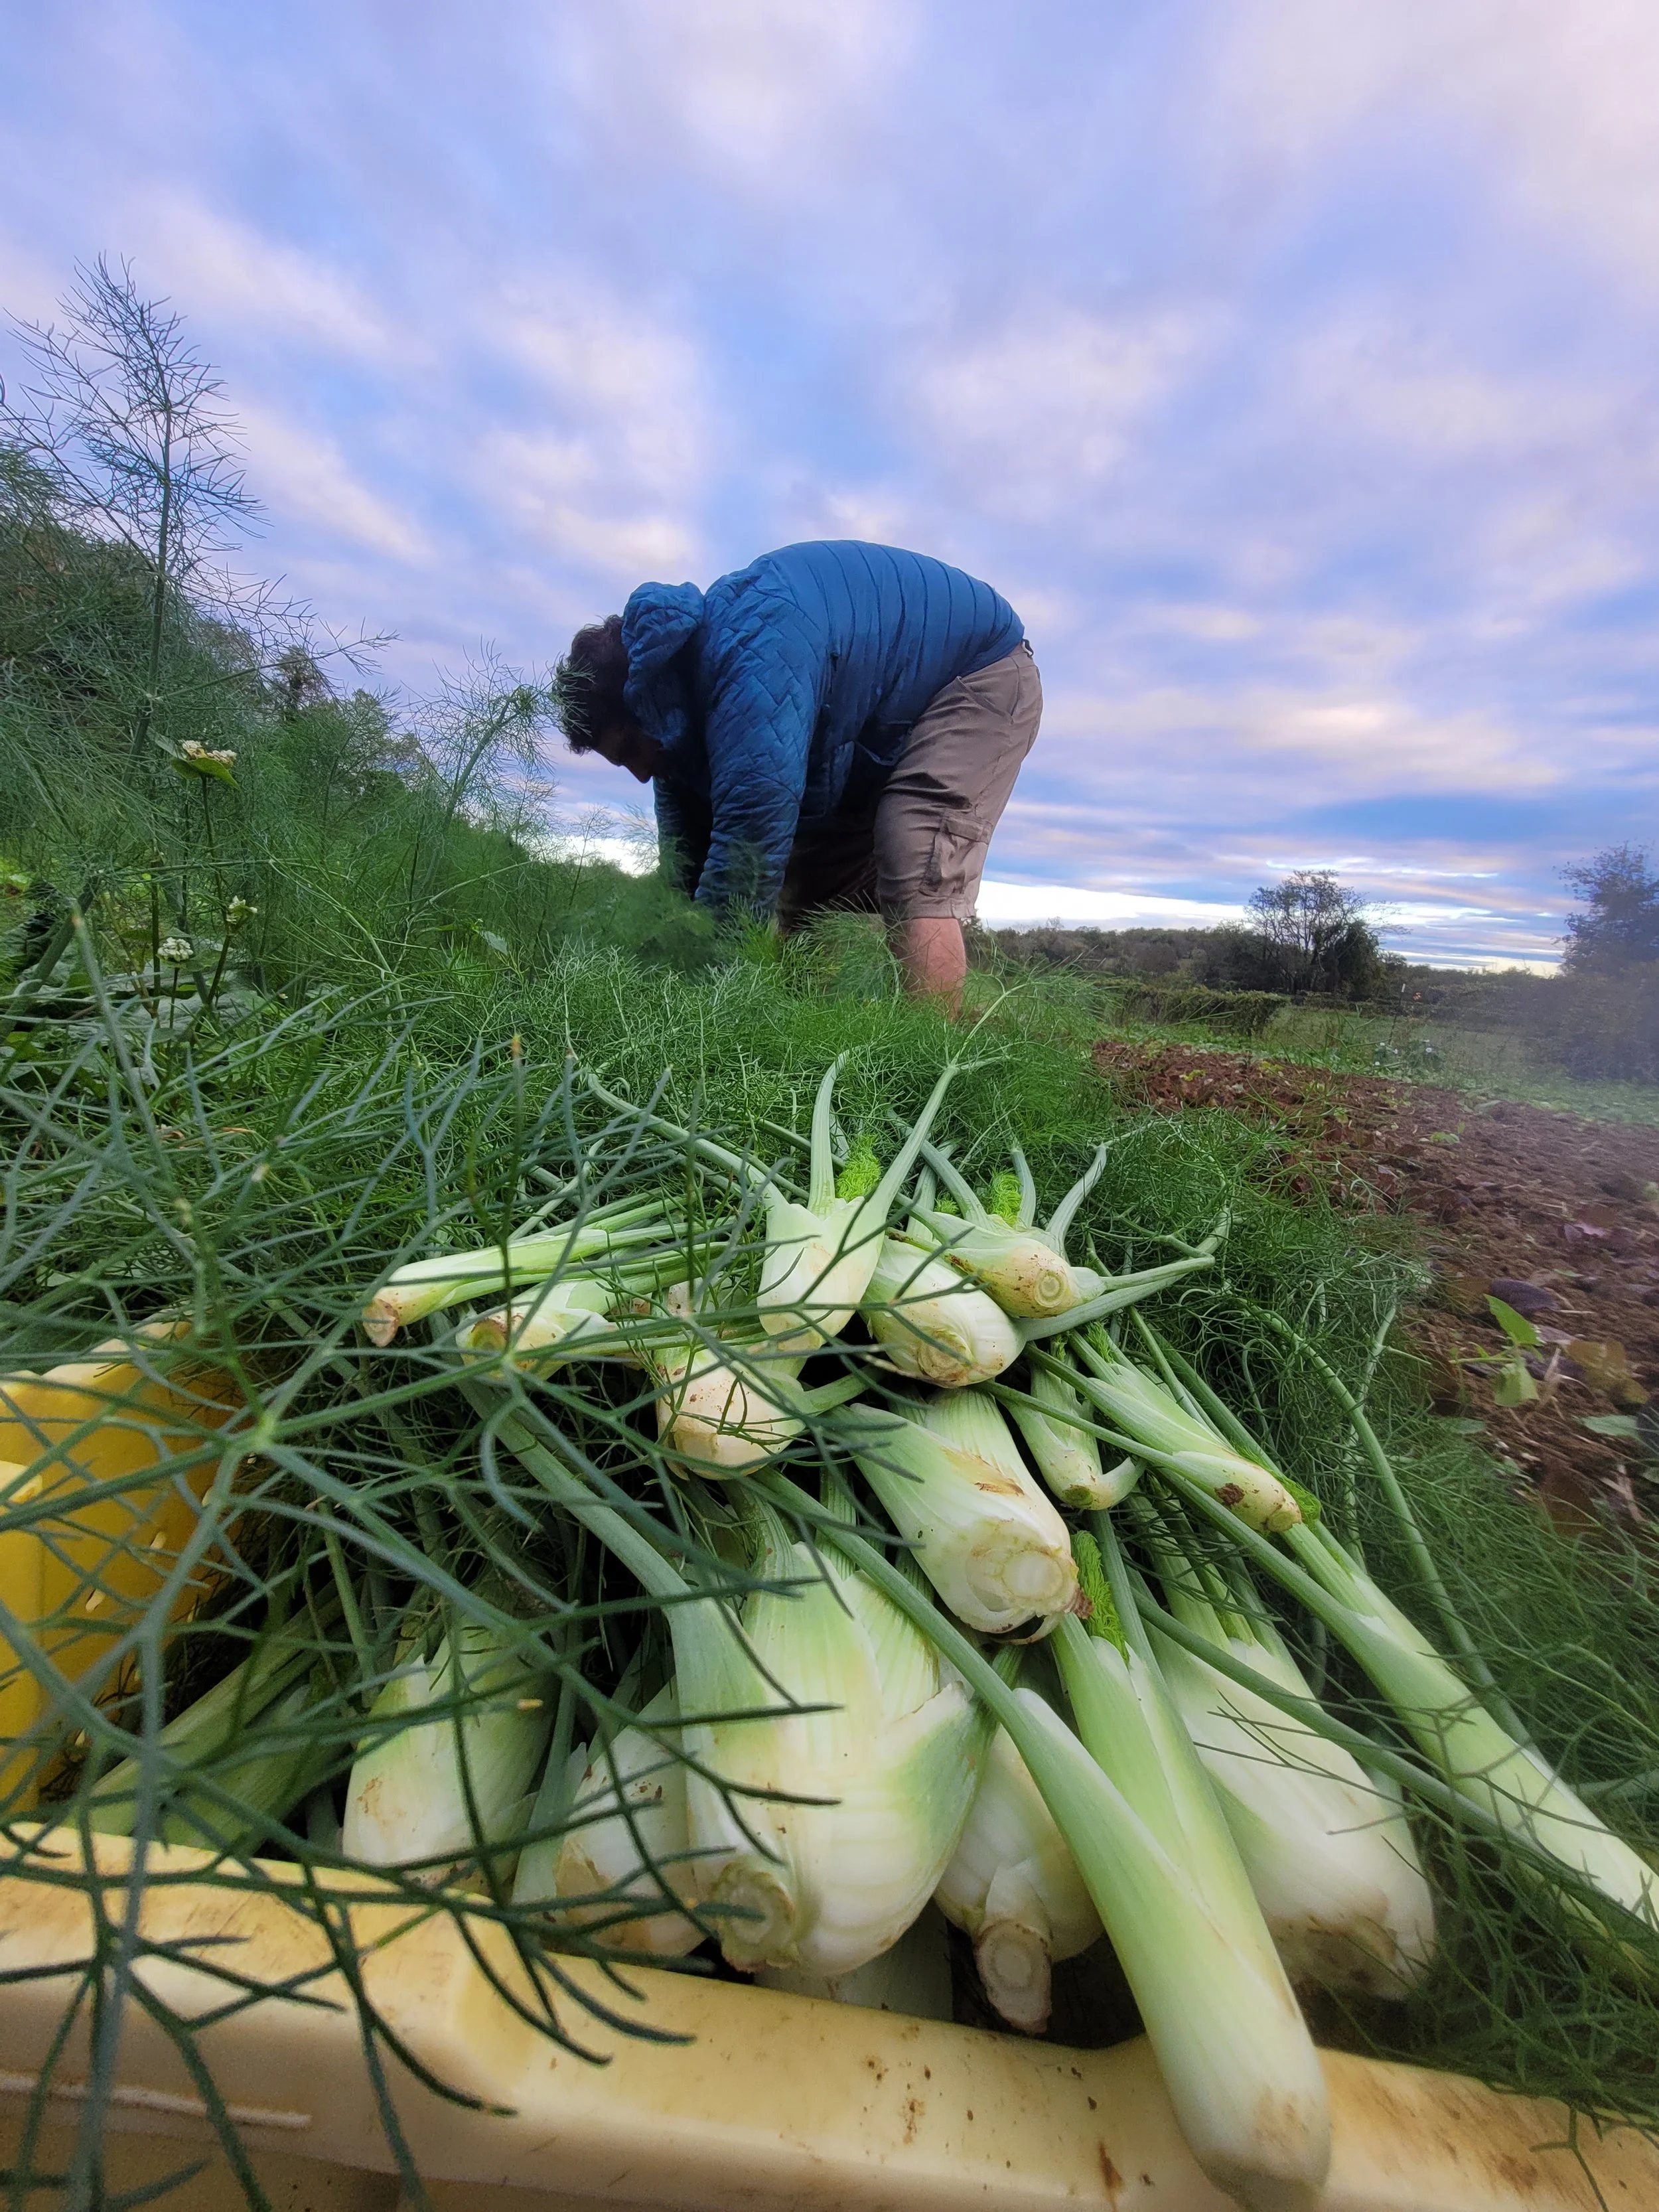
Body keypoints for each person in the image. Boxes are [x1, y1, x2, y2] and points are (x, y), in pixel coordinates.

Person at [551, 540, 1041, 1011]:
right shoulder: (673, 728)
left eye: (628, 749)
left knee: (914, 845)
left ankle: (928, 1067)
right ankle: (799, 1031)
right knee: (802, 883)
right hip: (877, 728)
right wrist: (657, 959)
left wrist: (692, 1008)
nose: (638, 773)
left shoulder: (750, 656)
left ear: (641, 702)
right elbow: (686, 876)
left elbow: (747, 853)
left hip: (982, 671)